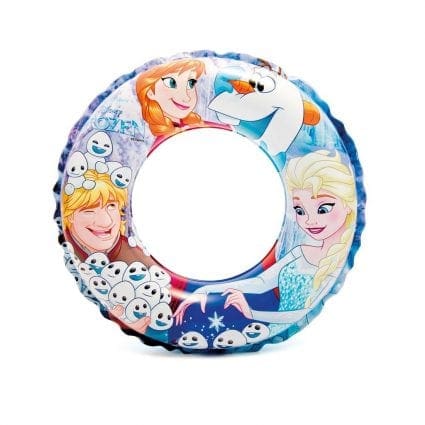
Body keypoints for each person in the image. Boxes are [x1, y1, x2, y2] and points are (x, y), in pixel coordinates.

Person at [174, 150, 356, 326]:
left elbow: (301, 313)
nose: (310, 220)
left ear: (348, 204)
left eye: (323, 209)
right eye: (300, 210)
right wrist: (205, 290)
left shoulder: (336, 265)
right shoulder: (301, 252)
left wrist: (252, 314)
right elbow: (260, 283)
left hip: (276, 326)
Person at [62, 169, 154, 265]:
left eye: (111, 206)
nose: (106, 222)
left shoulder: (128, 252)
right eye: (89, 211)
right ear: (70, 216)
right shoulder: (66, 247)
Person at [136, 58, 205, 142]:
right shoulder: (157, 138)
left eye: (190, 83)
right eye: (171, 83)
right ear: (150, 92)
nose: (186, 98)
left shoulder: (196, 123)